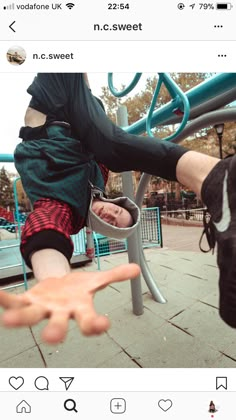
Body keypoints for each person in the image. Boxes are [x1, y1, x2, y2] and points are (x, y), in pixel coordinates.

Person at [0, 73, 235, 345]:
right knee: (111, 149)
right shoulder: (98, 180)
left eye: (114, 223)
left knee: (110, 147)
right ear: (115, 202)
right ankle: (216, 179)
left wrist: (55, 279)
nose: (112, 215)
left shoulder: (67, 208)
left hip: (53, 109)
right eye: (119, 213)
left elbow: (46, 226)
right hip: (77, 110)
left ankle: (214, 178)